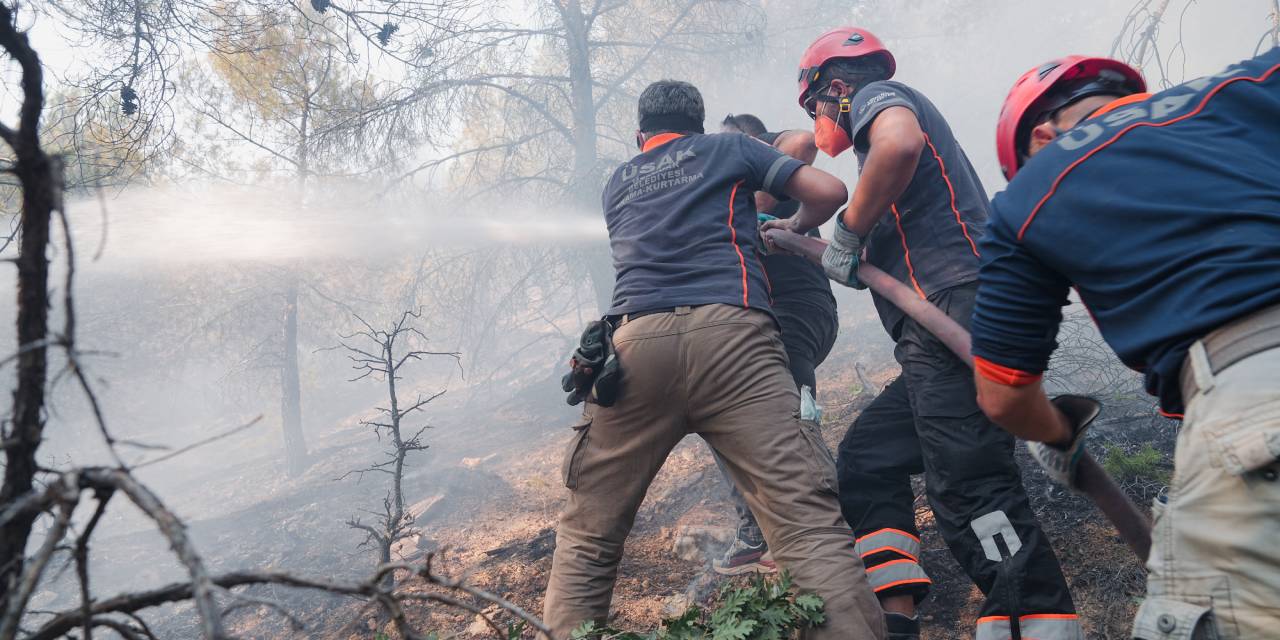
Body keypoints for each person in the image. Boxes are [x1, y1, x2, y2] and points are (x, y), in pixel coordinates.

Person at [767, 27, 1081, 640]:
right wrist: (798, 238)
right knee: (866, 458)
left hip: (953, 313)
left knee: (970, 486)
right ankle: (895, 615)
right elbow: (869, 270)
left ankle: (1033, 623)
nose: (818, 122)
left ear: (834, 88)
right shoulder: (884, 172)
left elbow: (899, 146)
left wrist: (848, 228)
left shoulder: (879, 98)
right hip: (935, 325)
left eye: (815, 108)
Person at [542, 79, 886, 640]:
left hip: (635, 348)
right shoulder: (729, 150)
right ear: (699, 127)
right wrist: (787, 226)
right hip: (737, 342)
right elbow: (827, 190)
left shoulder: (620, 182)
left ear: (639, 135)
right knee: (806, 530)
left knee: (587, 539)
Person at [975, 49, 1280, 639]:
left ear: (1041, 137)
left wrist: (1058, 436)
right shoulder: (1249, 86)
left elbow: (1003, 397)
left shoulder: (1030, 192)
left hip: (1253, 400)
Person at [706, 113, 839, 576]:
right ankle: (753, 529)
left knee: (788, 399)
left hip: (799, 310)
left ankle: (819, 520)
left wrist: (751, 207)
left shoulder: (767, 161)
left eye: (728, 147)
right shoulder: (720, 193)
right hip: (754, 319)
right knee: (715, 403)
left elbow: (805, 141)